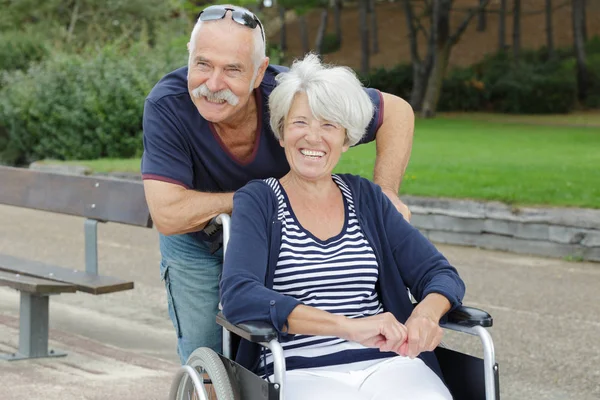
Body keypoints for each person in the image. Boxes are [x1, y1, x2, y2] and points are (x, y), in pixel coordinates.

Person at [141, 4, 415, 365]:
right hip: (199, 242)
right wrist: (259, 199)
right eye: (202, 64)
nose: (212, 84)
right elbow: (169, 214)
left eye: (232, 70)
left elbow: (396, 112)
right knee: (205, 354)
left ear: (259, 73)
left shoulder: (292, 97)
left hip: (277, 238)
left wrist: (386, 193)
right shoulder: (168, 105)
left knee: (285, 340)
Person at [220, 53, 465, 400]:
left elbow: (440, 273)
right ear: (282, 132)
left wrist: (425, 315)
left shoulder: (366, 198)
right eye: (300, 122)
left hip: (389, 365)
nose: (313, 137)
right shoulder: (259, 201)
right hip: (297, 370)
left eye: (329, 125)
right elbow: (239, 295)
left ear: (347, 139)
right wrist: (348, 328)